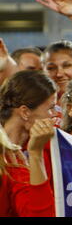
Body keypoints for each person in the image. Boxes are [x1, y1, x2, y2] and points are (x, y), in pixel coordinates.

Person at [0, 70, 58, 216]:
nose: (54, 114)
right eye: (51, 108)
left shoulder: (43, 148)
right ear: (25, 112)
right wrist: (36, 153)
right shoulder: (13, 160)